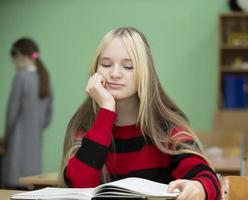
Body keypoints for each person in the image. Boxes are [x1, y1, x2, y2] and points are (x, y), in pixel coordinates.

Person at [60, 27, 220, 200]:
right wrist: (106, 110)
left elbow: (208, 180)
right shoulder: (86, 126)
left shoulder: (167, 129)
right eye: (106, 64)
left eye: (128, 66)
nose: (115, 73)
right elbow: (79, 187)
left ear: (145, 74)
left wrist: (199, 187)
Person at [2, 38, 53, 189]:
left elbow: (12, 113)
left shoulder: (21, 77)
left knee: (11, 188)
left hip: (17, 143)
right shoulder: (45, 78)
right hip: (35, 143)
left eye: (14, 60)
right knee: (29, 186)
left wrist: (5, 139)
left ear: (20, 56)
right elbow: (48, 116)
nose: (14, 65)